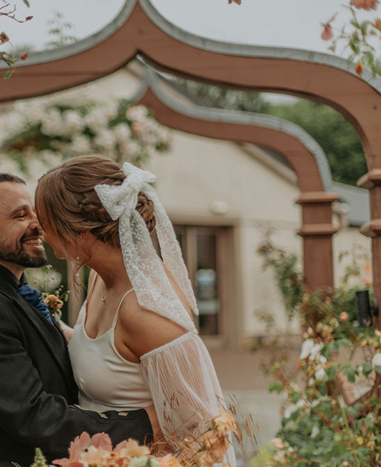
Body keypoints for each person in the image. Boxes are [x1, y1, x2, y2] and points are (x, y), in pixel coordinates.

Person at [0, 173, 153, 467]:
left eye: (35, 212)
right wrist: (142, 425)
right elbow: (34, 415)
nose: (38, 224)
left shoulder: (14, 294)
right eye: (20, 215)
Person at [34, 155, 237, 466]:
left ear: (81, 234)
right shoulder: (99, 280)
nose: (41, 234)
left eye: (46, 225)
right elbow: (111, 361)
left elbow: (200, 430)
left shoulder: (145, 311)